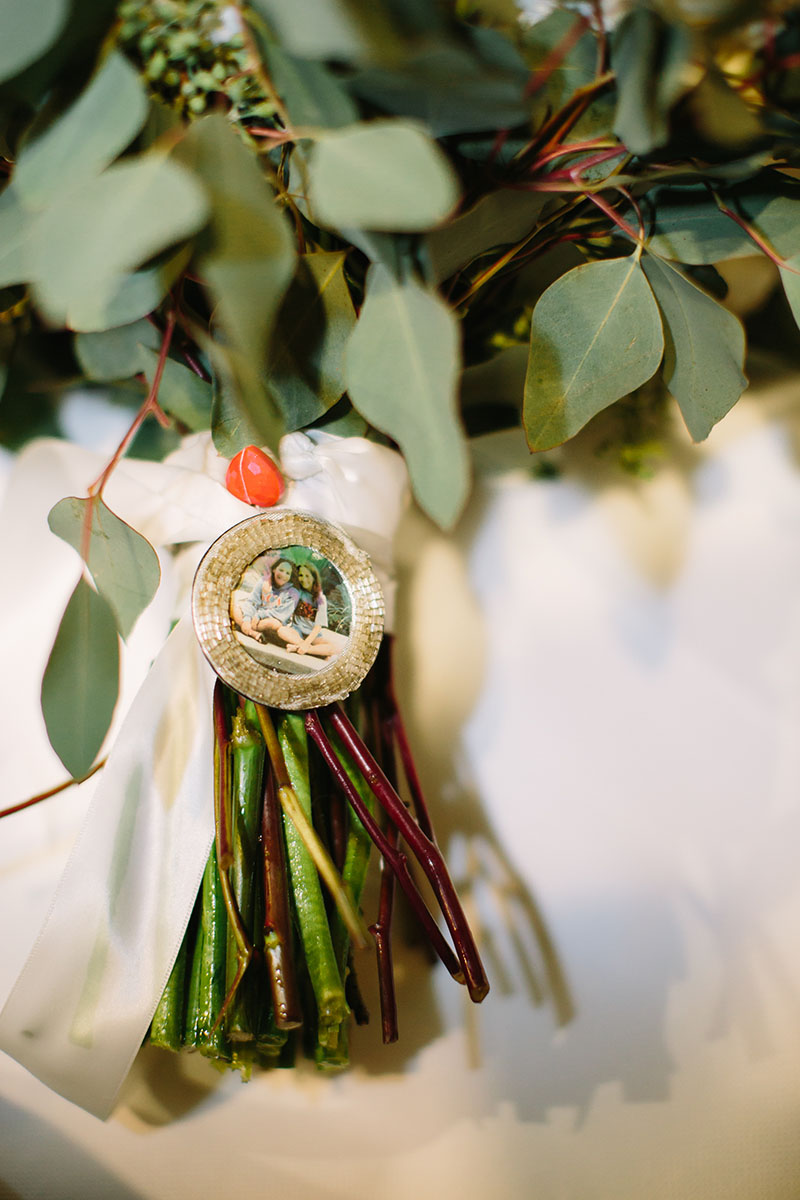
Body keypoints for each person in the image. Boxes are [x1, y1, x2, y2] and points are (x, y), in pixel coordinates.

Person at [275, 561, 339, 658]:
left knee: (333, 648)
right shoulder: (298, 592)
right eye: (301, 575)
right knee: (282, 631)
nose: (304, 579)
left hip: (313, 635)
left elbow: (318, 626)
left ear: (314, 577)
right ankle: (312, 650)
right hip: (296, 631)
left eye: (307, 576)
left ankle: (300, 648)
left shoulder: (320, 598)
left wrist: (307, 643)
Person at [241, 558, 299, 640]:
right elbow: (252, 602)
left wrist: (259, 616)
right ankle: (253, 633)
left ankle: (245, 627)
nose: (283, 575)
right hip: (254, 616)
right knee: (236, 608)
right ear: (274, 569)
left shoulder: (293, 593)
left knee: (273, 623)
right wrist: (247, 619)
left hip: (270, 620)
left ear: (290, 576)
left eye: (287, 573)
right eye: (281, 570)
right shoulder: (264, 581)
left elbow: (280, 615)